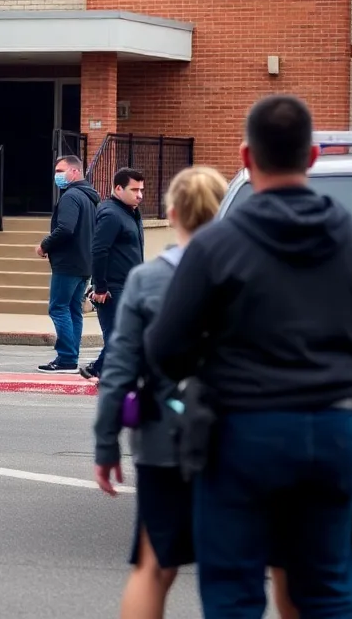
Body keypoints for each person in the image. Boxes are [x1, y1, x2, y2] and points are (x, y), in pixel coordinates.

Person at [145, 94, 352, 617]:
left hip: (238, 431)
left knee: (233, 586)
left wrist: (217, 357)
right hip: (335, 428)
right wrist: (341, 348)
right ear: (312, 158)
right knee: (328, 583)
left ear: (247, 158)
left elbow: (165, 349)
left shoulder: (214, 247)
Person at [92, 166, 298, 619]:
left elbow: (120, 371)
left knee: (154, 565)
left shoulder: (148, 280)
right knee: (275, 564)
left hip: (166, 439)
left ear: (172, 214)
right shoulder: (257, 272)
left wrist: (106, 443)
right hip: (241, 435)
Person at [36, 153, 100, 372]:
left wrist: (44, 245)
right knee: (74, 309)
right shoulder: (90, 197)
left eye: (60, 171)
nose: (57, 175)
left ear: (75, 171)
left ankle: (66, 357)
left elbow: (65, 228)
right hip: (84, 262)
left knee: (59, 308)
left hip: (69, 262)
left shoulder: (71, 196)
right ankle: (71, 357)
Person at [82, 167, 146, 382]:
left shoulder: (131, 212)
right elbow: (99, 250)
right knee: (120, 334)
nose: (139, 195)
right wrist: (100, 286)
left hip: (129, 285)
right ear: (118, 188)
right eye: (134, 189)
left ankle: (97, 369)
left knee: (124, 333)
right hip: (112, 287)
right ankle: (102, 371)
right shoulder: (111, 213)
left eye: (141, 190)